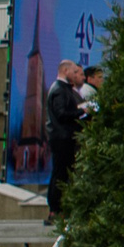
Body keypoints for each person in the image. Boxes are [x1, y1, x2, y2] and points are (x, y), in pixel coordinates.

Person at [44, 58, 87, 213]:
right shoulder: (59, 90)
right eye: (74, 72)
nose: (76, 75)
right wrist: (82, 111)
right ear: (66, 71)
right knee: (60, 173)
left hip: (65, 137)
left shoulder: (63, 89)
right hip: (61, 138)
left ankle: (60, 207)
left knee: (63, 173)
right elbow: (61, 114)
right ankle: (55, 209)